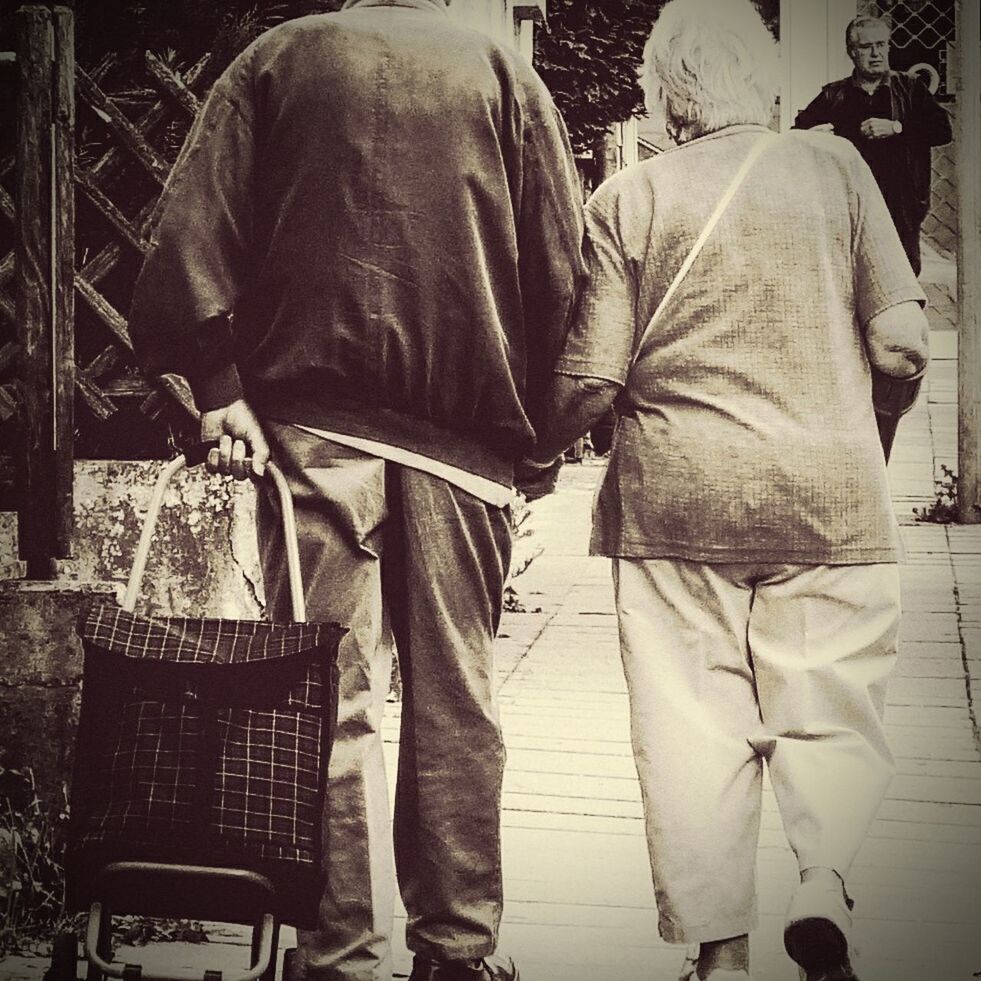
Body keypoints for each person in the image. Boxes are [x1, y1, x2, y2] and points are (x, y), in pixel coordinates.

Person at [127, 2, 586, 979]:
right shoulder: (504, 76)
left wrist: (219, 394)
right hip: (466, 449)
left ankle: (340, 953)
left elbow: (188, 240)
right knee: (456, 695)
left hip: (312, 434)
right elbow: (562, 274)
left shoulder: (279, 60)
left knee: (325, 696)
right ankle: (458, 950)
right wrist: (537, 453)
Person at [521, 0, 930, 978]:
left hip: (675, 506)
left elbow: (590, 381)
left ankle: (720, 955)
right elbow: (904, 344)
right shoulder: (838, 169)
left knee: (688, 727)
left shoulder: (628, 199)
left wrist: (530, 456)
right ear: (770, 86)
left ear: (664, 96)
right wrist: (863, 441)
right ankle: (823, 878)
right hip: (830, 497)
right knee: (832, 705)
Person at [794, 14, 952, 276]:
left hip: (901, 206)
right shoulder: (834, 95)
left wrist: (896, 127)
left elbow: (942, 131)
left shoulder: (911, 88)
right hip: (849, 207)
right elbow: (798, 134)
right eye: (867, 47)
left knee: (902, 279)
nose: (876, 53)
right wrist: (813, 136)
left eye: (881, 45)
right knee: (852, 279)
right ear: (852, 52)